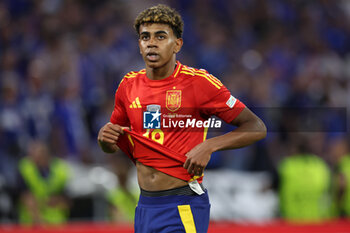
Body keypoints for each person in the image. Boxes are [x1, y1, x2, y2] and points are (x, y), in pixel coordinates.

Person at [98, 4, 266, 232]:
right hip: (145, 206)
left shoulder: (199, 83)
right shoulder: (128, 85)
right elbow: (114, 144)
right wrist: (105, 142)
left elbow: (256, 126)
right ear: (139, 45)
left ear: (177, 44)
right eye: (145, 37)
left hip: (182, 205)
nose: (151, 43)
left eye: (160, 36)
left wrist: (209, 146)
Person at [17, 140, 70, 225]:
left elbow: (67, 202)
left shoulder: (61, 170)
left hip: (57, 225)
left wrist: (54, 201)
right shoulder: (25, 168)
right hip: (31, 225)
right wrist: (40, 223)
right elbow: (26, 198)